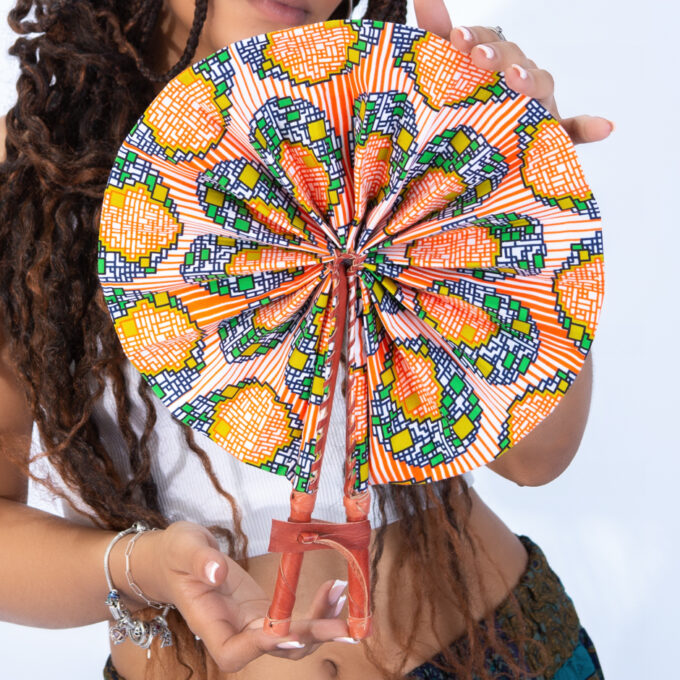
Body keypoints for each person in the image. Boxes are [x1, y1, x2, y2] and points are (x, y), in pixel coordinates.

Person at [0, 0, 613, 678]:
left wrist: (514, 172)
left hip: (494, 652)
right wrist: (140, 567)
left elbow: (536, 458)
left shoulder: (401, 108)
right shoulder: (33, 176)